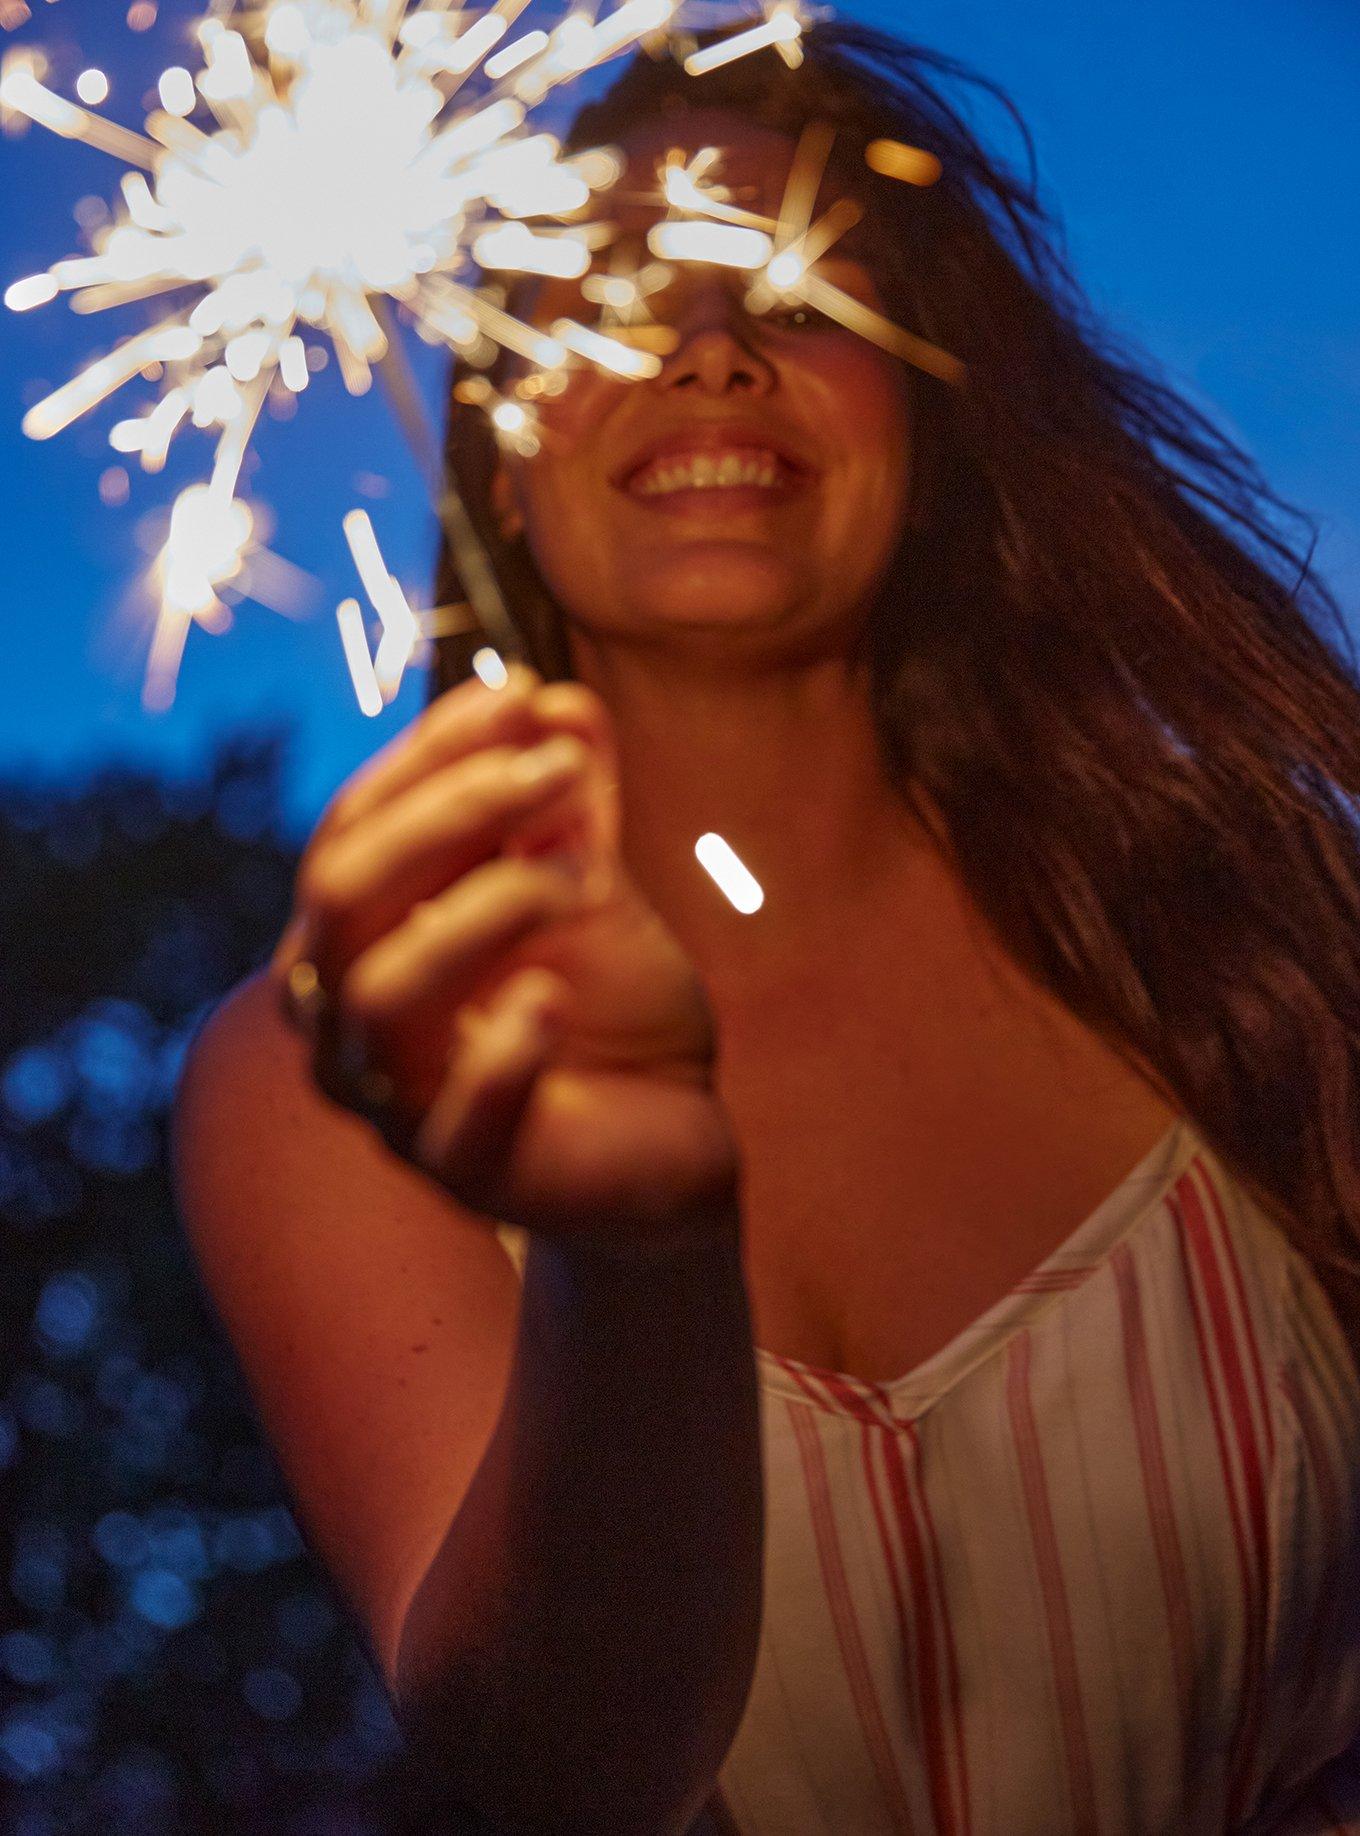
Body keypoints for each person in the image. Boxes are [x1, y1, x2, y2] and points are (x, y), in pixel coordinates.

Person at [170, 19, 1360, 1835]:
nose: (713, 352)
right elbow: (560, 1770)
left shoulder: (1240, 931)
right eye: (625, 299)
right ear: (498, 458)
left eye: (799, 295)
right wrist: (632, 1250)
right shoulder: (336, 1065)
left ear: (930, 417)